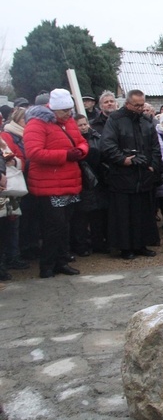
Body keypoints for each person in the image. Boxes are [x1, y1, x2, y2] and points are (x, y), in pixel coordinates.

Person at [24, 89, 88, 277]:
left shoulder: (69, 122)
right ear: (53, 109)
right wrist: (65, 155)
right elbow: (33, 152)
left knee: (65, 225)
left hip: (69, 183)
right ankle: (47, 265)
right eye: (64, 111)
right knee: (53, 227)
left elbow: (82, 141)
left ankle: (61, 261)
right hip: (48, 184)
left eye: (70, 109)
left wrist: (81, 151)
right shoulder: (37, 123)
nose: (68, 114)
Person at [101, 89, 162, 260]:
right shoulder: (115, 120)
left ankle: (141, 244)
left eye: (142, 105)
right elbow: (107, 144)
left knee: (142, 213)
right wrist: (123, 160)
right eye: (137, 105)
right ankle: (125, 247)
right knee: (123, 214)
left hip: (143, 175)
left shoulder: (146, 121)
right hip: (122, 176)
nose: (140, 108)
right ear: (127, 104)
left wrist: (153, 166)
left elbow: (155, 146)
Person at [69, 114, 108, 256]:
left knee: (98, 215)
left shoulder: (97, 137)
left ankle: (98, 242)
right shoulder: (73, 141)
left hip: (97, 179)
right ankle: (81, 245)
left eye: (85, 124)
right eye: (80, 125)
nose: (84, 127)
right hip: (82, 181)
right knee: (81, 217)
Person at [0, 107, 31, 269]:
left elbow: (16, 158)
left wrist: (15, 162)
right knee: (6, 225)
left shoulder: (4, 138)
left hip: (11, 187)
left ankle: (12, 257)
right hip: (5, 186)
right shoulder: (6, 136)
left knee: (12, 222)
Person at [0, 135, 24, 280]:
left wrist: (12, 161)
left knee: (5, 229)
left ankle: (3, 264)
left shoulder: (3, 141)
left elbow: (15, 159)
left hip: (5, 192)